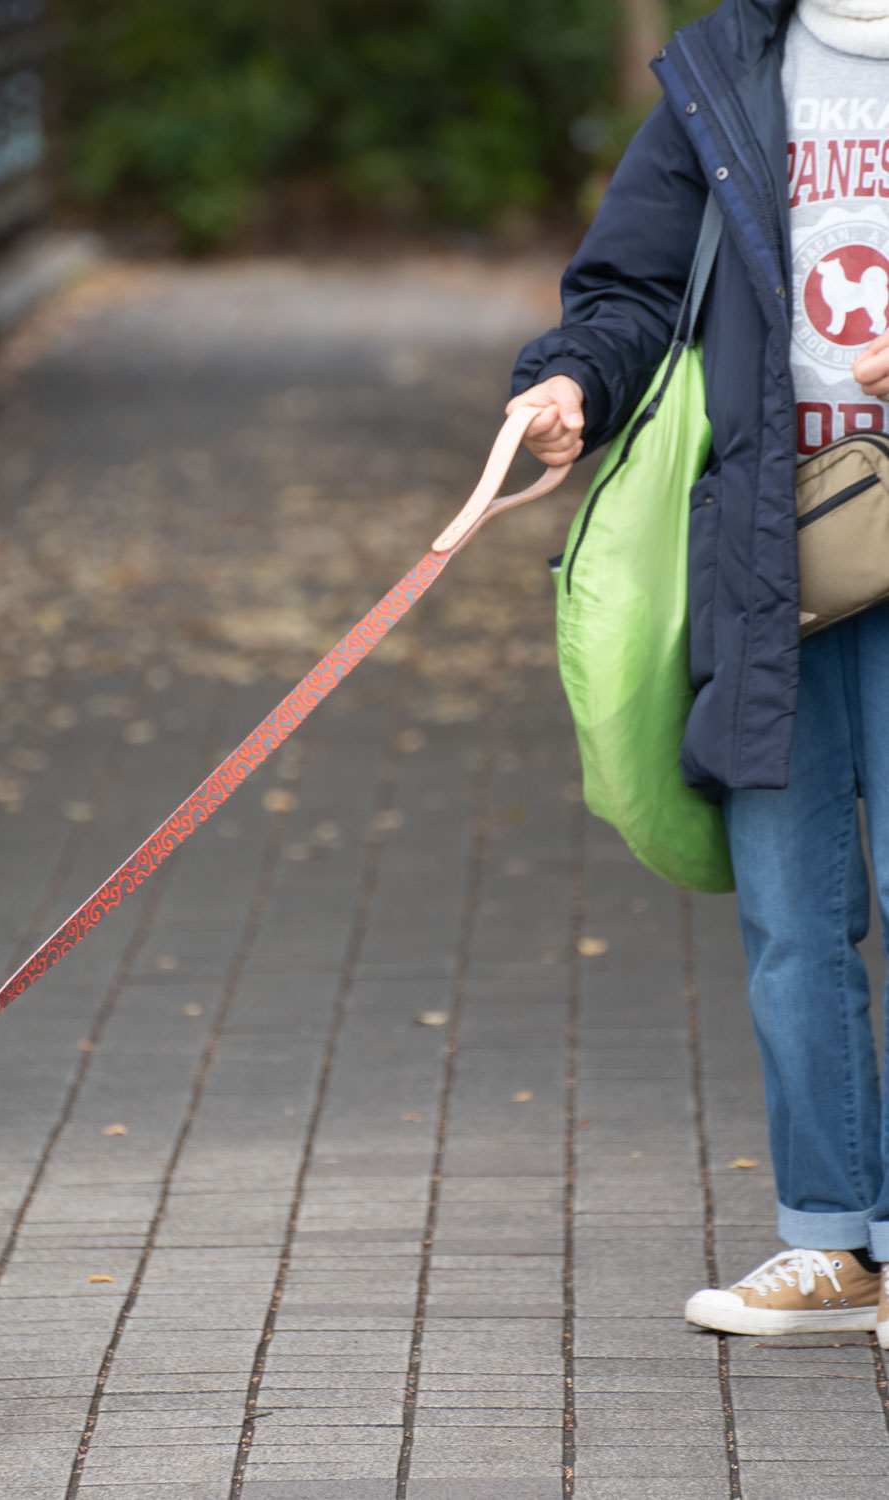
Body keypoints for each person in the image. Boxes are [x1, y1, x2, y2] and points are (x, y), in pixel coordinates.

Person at [512, 0, 889, 1339]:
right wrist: (572, 383)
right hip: (769, 555)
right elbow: (628, 284)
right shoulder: (730, 62)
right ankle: (836, 1245)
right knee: (795, 925)